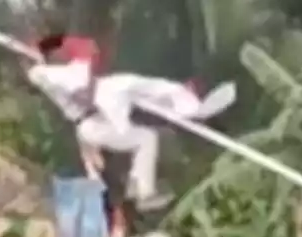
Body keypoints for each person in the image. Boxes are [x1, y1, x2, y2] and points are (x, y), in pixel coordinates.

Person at [24, 32, 237, 212]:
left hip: (96, 116)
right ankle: (187, 104)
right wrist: (43, 49)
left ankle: (141, 187)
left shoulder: (62, 70)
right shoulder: (45, 73)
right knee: (144, 96)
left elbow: (80, 53)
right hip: (101, 106)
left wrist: (48, 46)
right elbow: (80, 61)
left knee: (145, 134)